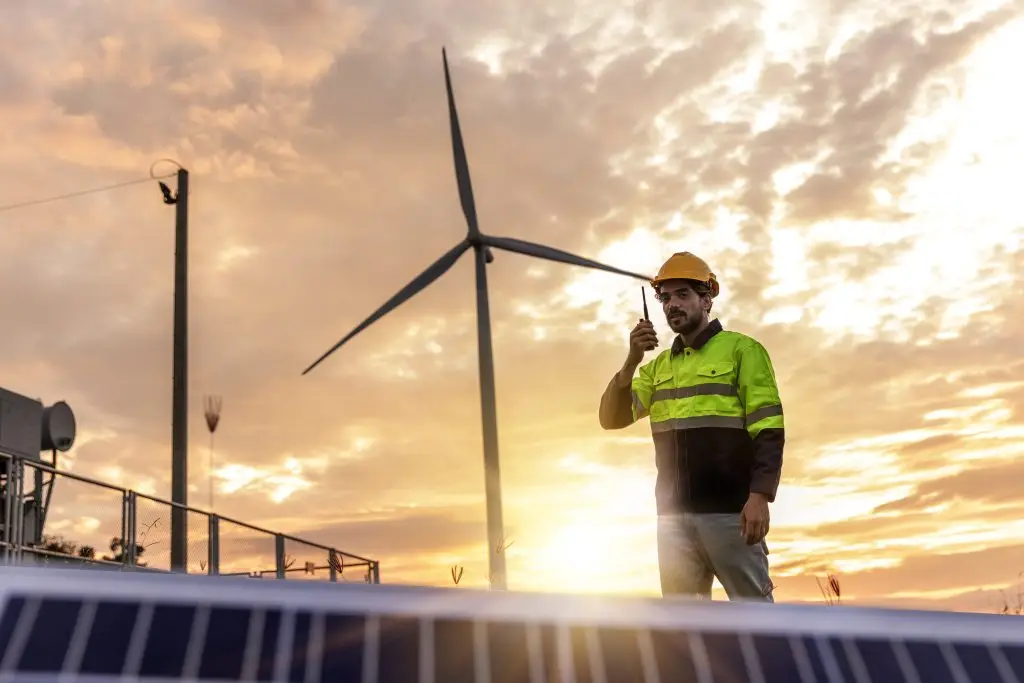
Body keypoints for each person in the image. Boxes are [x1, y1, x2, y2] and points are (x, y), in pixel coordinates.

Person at [598, 251, 784, 602]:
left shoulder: (742, 351)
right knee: (683, 631)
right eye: (665, 298)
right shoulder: (657, 369)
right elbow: (612, 418)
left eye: (682, 294)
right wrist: (631, 361)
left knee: (757, 619)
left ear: (706, 298)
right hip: (672, 521)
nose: (672, 306)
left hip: (732, 515)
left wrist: (760, 496)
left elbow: (769, 429)